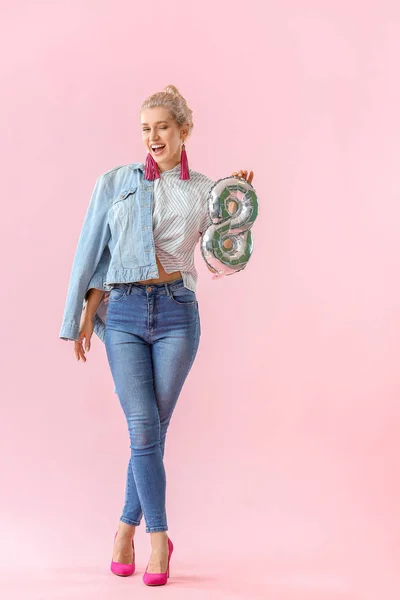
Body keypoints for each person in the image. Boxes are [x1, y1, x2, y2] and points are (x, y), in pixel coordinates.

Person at [59, 84, 254, 586]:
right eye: (145, 128)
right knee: (145, 430)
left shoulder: (207, 190)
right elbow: (93, 252)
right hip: (121, 313)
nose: (153, 137)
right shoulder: (116, 181)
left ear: (184, 131)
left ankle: (124, 527)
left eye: (162, 127)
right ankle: (158, 541)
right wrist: (81, 315)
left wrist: (237, 201)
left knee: (151, 433)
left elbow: (222, 254)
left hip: (176, 315)